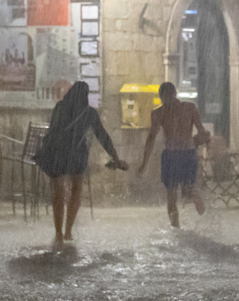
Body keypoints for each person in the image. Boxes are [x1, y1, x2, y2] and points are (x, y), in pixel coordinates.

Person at [34, 80, 128, 246]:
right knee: (76, 192)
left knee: (58, 194)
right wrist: (116, 157)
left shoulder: (60, 107)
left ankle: (58, 233)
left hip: (59, 154)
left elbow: (53, 131)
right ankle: (69, 231)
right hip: (77, 155)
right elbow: (102, 136)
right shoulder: (89, 112)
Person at [136, 81, 209, 227]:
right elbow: (151, 139)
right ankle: (195, 224)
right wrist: (144, 164)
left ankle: (202, 221)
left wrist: (144, 165)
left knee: (185, 192)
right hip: (180, 155)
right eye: (166, 97)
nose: (168, 100)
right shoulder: (181, 109)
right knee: (177, 194)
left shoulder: (179, 110)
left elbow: (201, 131)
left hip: (178, 155)